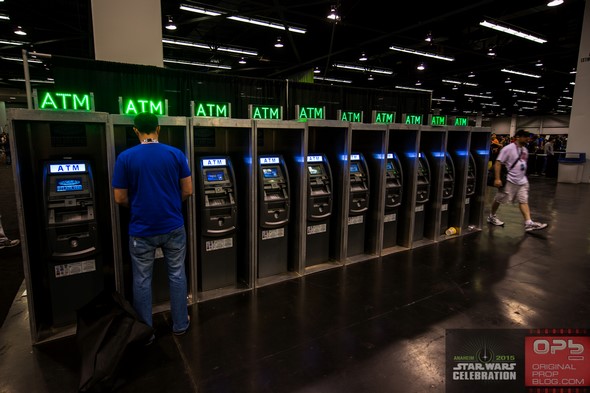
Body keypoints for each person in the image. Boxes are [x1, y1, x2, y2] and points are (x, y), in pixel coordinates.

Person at [112, 112, 192, 338]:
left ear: (135, 130)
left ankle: (145, 332)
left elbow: (119, 198)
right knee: (177, 275)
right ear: (158, 129)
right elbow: (188, 190)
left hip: (141, 230)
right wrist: (171, 205)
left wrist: (139, 206)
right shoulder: (176, 154)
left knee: (142, 280)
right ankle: (180, 325)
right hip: (173, 226)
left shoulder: (125, 157)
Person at [487, 129, 547, 232]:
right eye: (525, 136)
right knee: (499, 199)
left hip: (522, 181)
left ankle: (528, 223)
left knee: (523, 200)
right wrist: (497, 179)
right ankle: (492, 216)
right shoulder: (508, 148)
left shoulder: (524, 150)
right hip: (510, 180)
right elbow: (498, 163)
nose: (527, 139)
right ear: (518, 137)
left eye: (528, 137)